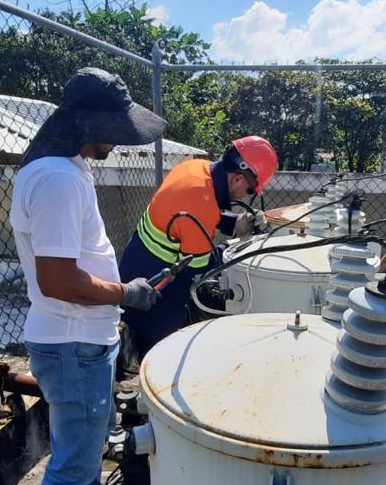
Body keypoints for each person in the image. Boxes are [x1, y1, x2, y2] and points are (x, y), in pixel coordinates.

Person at [10, 67, 164, 485]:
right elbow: (59, 281)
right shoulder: (57, 180)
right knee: (74, 464)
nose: (119, 142)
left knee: (76, 444)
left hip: (74, 339)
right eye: (114, 131)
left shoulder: (63, 168)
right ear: (89, 123)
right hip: (72, 343)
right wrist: (125, 292)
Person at [118, 136, 279, 354]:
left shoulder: (195, 168)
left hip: (135, 264)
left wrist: (236, 223)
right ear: (238, 180)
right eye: (251, 190)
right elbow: (199, 270)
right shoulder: (200, 203)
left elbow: (204, 210)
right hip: (156, 290)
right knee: (161, 355)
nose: (246, 195)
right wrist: (240, 246)